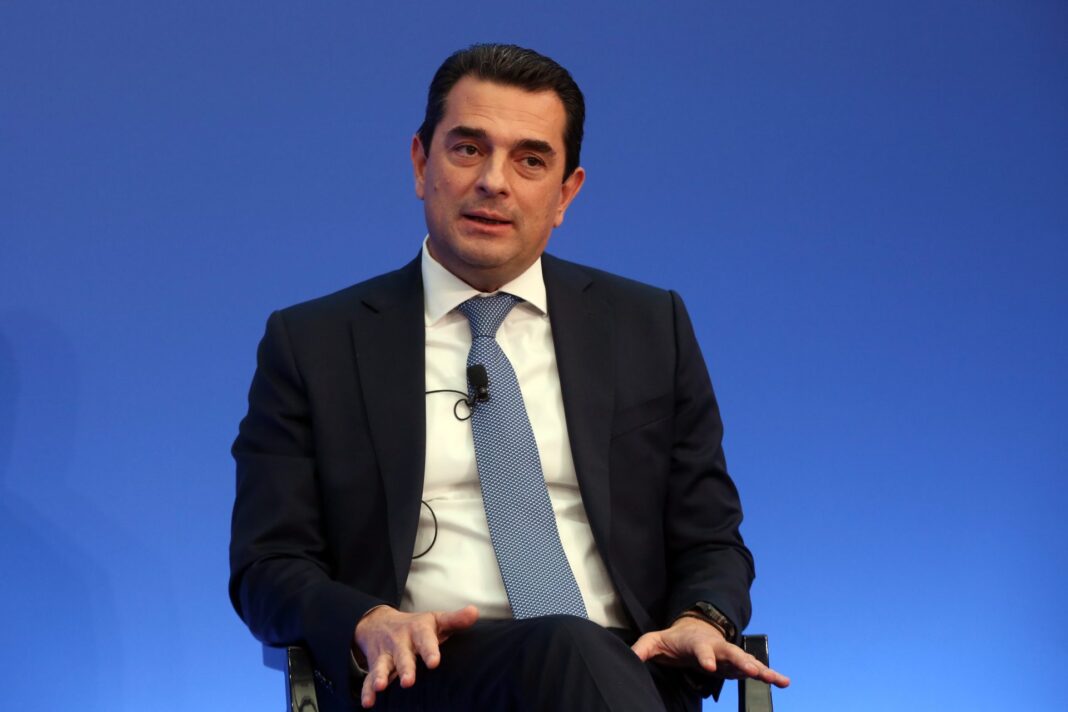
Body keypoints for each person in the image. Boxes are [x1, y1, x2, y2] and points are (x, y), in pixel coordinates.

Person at [229, 43, 789, 711]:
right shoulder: (314, 343)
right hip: (425, 677)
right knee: (564, 645)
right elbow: (267, 566)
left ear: (565, 193)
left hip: (629, 670)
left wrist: (702, 618)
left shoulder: (648, 326)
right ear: (420, 164)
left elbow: (711, 539)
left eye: (530, 160)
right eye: (468, 149)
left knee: (577, 651)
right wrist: (366, 620)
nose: (494, 181)